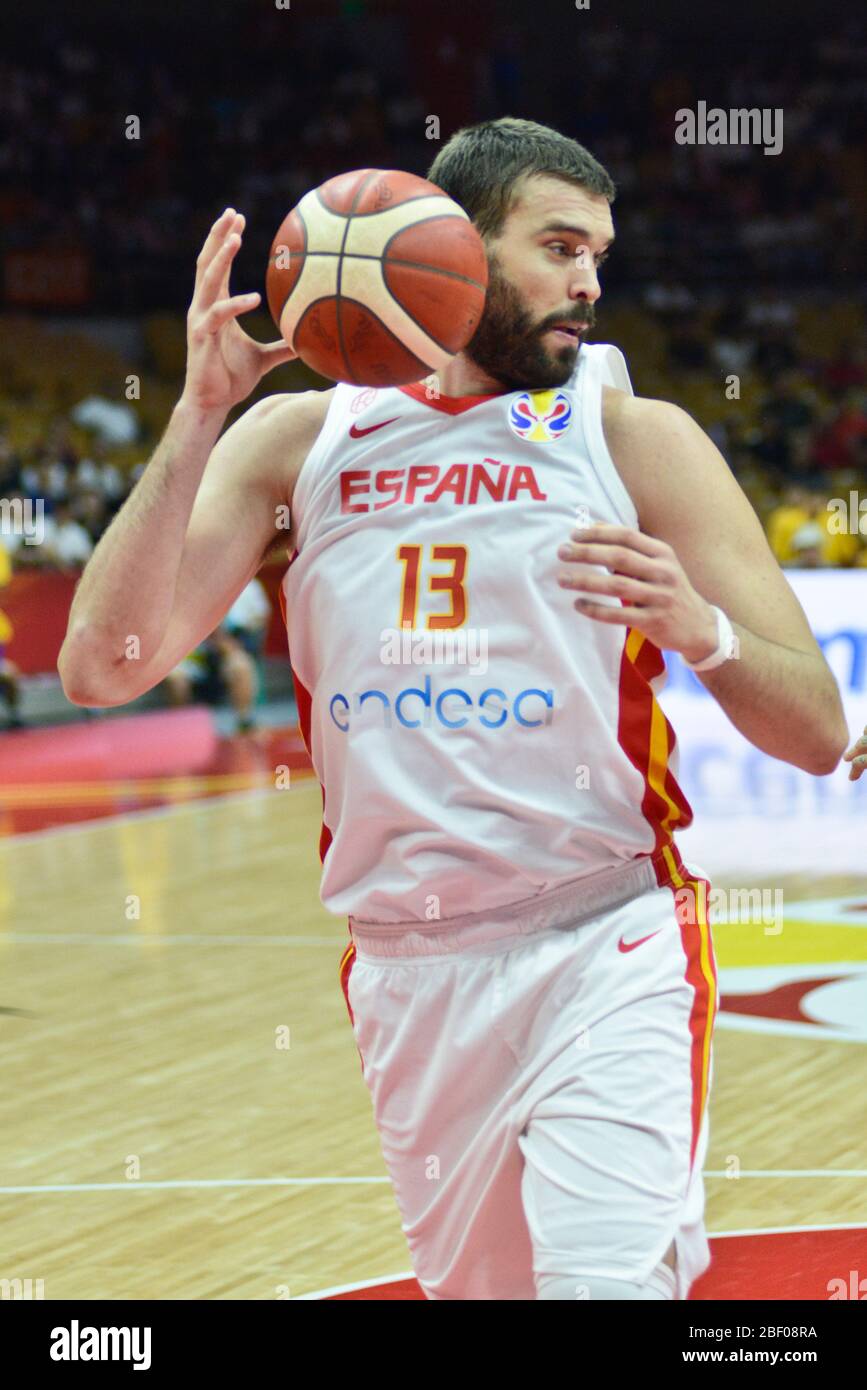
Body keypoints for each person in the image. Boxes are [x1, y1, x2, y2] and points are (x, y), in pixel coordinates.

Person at [58, 117, 851, 1301]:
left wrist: (707, 633)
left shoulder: (632, 437)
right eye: (561, 246)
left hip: (608, 942)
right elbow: (104, 667)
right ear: (455, 248)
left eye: (601, 253)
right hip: (408, 971)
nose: (590, 280)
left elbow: (824, 731)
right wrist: (195, 417)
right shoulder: (300, 440)